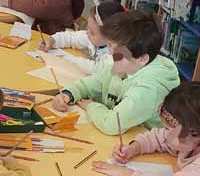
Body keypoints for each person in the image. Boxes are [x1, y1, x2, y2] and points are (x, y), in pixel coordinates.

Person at [51, 10, 180, 134]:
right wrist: (69, 93)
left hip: (145, 144)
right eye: (110, 46)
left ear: (142, 59)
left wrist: (91, 106)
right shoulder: (125, 64)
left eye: (119, 52)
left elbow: (112, 125)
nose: (110, 53)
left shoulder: (149, 90)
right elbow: (94, 82)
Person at [38, 0, 121, 69]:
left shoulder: (114, 56)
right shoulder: (95, 39)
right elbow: (71, 37)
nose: (87, 33)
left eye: (92, 32)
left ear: (111, 38)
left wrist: (66, 58)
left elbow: (94, 68)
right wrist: (52, 40)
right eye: (88, 28)